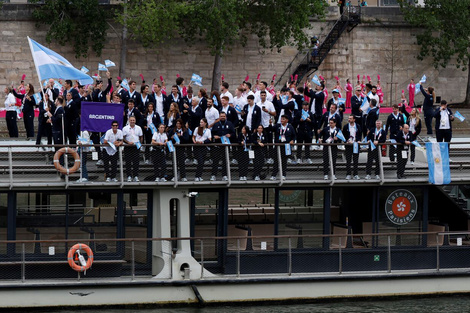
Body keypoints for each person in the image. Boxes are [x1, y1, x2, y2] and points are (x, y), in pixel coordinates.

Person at [210, 112, 235, 181]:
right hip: (217, 146)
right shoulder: (216, 124)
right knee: (215, 161)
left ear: (226, 117)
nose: (222, 117)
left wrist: (230, 135)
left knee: (225, 161)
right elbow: (212, 134)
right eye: (221, 116)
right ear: (219, 117)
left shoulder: (229, 124)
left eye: (223, 116)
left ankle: (224, 175)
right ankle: (213, 175)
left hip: (226, 146)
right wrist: (214, 136)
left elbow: (233, 133)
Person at [270, 114, 296, 180]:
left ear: (287, 120)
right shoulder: (278, 126)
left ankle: (283, 175)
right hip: (278, 146)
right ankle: (274, 175)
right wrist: (270, 124)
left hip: (286, 147)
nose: (282, 120)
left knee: (284, 161)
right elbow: (271, 129)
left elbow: (294, 135)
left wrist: (292, 140)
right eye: (281, 119)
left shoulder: (290, 127)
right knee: (276, 161)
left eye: (283, 119)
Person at [122, 116, 143, 182]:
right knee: (128, 162)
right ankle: (129, 176)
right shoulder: (125, 128)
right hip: (128, 147)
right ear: (129, 120)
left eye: (133, 120)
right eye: (131, 120)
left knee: (136, 162)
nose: (132, 121)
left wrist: (139, 144)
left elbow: (141, 137)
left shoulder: (138, 128)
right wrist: (128, 142)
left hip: (136, 147)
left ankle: (135, 176)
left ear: (135, 121)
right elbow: (122, 138)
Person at [342, 115, 362, 180]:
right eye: (349, 118)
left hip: (355, 145)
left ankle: (355, 174)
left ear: (354, 119)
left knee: (355, 160)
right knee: (348, 160)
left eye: (350, 118)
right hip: (348, 145)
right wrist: (346, 141)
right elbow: (344, 135)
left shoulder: (358, 126)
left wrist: (358, 140)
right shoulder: (346, 126)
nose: (349, 119)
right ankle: (348, 174)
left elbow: (359, 134)